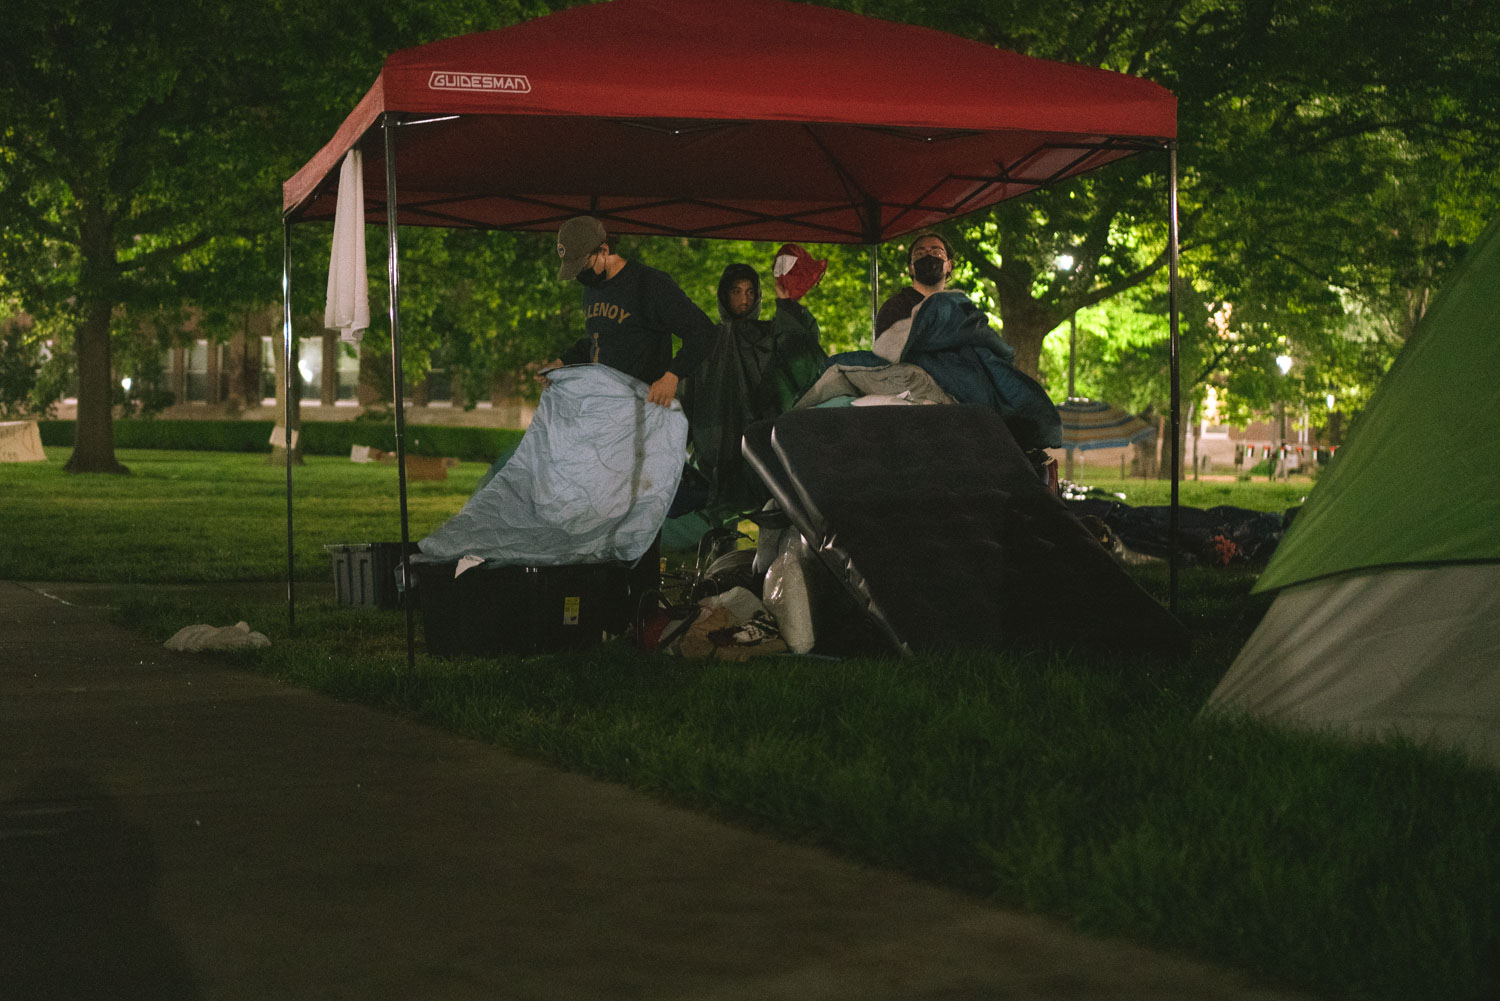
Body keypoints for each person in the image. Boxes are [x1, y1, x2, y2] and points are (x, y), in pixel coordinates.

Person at [678, 250, 828, 514]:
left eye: (749, 292)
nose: (744, 300)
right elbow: (687, 391)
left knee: (771, 506)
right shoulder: (708, 340)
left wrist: (787, 305)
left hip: (762, 435)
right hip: (716, 439)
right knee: (721, 515)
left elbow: (803, 351)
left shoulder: (769, 335)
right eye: (736, 292)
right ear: (724, 295)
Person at [545, 215, 715, 405]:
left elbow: (702, 331)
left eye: (583, 265)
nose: (580, 275)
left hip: (642, 409)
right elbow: (601, 340)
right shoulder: (592, 288)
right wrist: (563, 362)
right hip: (603, 407)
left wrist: (672, 376)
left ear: (603, 250)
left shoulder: (649, 284)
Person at [874, 231, 954, 338]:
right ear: (911, 268)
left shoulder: (957, 310)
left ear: (949, 265)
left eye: (937, 252)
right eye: (920, 254)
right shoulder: (894, 308)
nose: (929, 256)